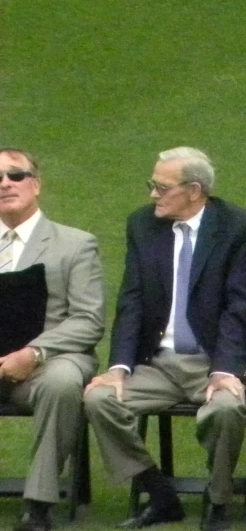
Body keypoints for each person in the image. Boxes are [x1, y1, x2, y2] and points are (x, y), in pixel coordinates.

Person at [83, 147, 246, 531]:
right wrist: (118, 368)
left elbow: (241, 308)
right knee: (99, 398)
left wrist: (225, 370)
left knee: (226, 410)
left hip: (211, 361)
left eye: (161, 187)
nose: (153, 194)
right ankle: (158, 491)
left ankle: (218, 502)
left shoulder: (237, 228)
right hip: (158, 364)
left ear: (194, 190)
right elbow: (131, 300)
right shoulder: (142, 225)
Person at [0, 148, 105, 531]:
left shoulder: (75, 244)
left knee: (63, 383)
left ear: (36, 184)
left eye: (16, 175)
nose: (6, 184)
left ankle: (39, 504)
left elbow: (89, 319)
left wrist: (34, 352)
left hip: (50, 361)